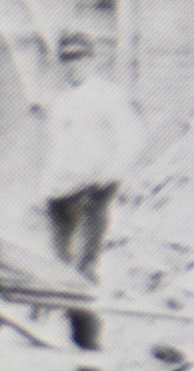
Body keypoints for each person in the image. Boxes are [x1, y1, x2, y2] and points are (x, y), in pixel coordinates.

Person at [39, 31, 145, 350]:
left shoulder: (108, 95)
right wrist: (45, 189)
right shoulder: (61, 102)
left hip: (90, 193)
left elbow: (131, 138)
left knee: (82, 272)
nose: (73, 64)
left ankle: (90, 350)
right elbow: (55, 150)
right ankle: (76, 345)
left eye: (78, 56)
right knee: (61, 272)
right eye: (66, 58)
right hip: (60, 196)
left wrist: (108, 176)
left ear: (92, 58)